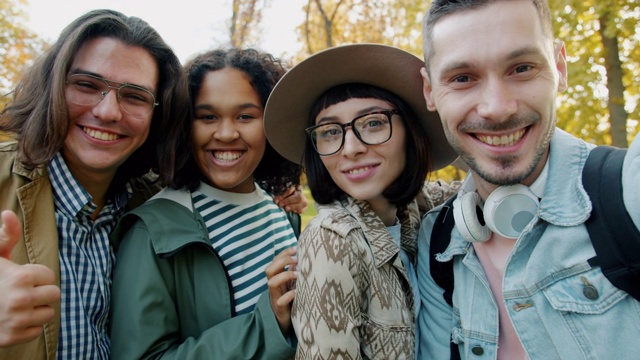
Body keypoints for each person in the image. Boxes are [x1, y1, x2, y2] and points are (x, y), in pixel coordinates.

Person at [416, 1, 640, 359]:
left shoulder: (626, 190)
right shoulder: (437, 242)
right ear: (430, 91)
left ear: (560, 67)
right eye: (462, 78)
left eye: (521, 68)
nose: (497, 107)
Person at [0, 9, 192, 359]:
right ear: (53, 86)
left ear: (157, 114)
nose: (107, 112)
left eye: (134, 96)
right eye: (87, 85)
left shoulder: (158, 204)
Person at [263, 43, 459, 359]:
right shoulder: (332, 241)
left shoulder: (416, 207)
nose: (350, 148)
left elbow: (479, 177)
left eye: (373, 123)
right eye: (329, 131)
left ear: (410, 130)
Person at [109, 48, 304, 359]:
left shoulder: (282, 211)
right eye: (207, 116)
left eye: (245, 116)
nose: (226, 133)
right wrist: (269, 323)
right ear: (185, 125)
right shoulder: (151, 233)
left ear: (270, 123)